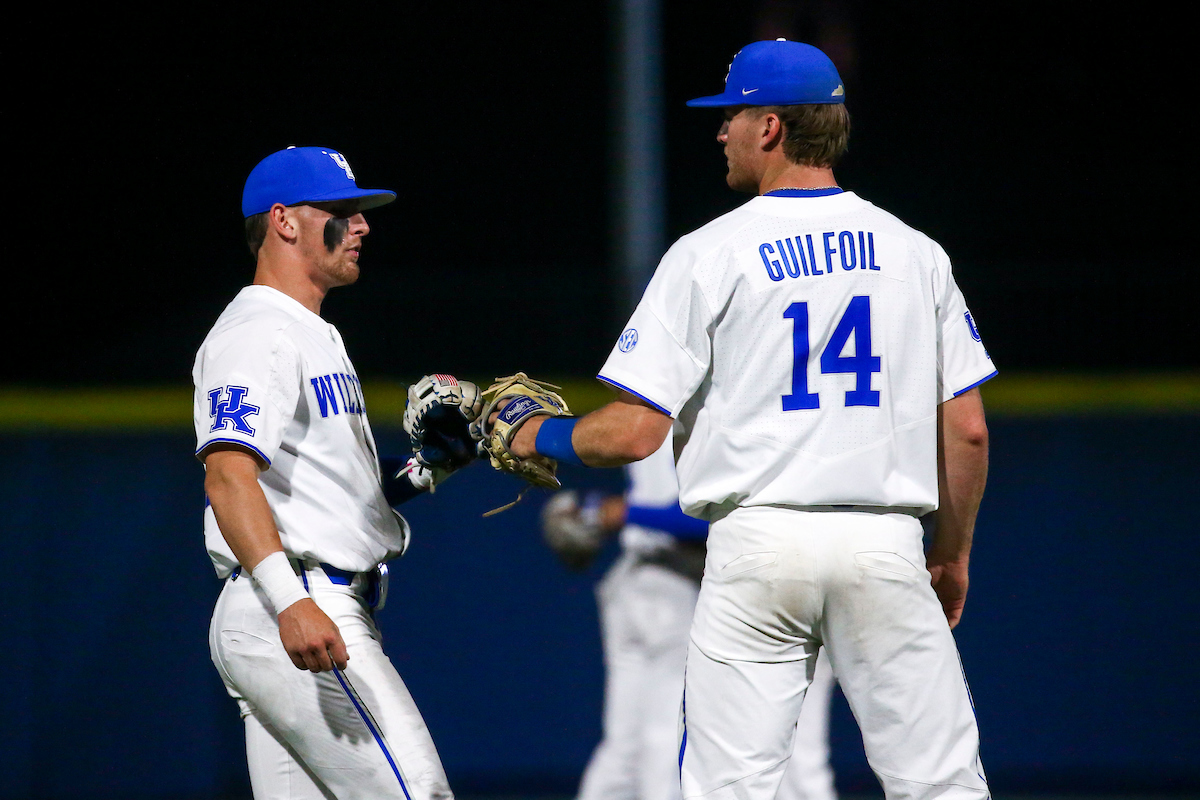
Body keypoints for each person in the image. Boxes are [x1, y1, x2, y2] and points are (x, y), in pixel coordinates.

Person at [507, 40, 995, 799]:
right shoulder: (916, 253)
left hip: (758, 542)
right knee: (940, 782)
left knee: (731, 787)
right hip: (883, 539)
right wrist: (952, 553)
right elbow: (968, 431)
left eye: (731, 115)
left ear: (770, 127)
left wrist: (537, 433)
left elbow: (636, 433)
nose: (720, 131)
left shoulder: (709, 253)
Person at [193, 146, 470, 800]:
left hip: (301, 601)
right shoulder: (256, 332)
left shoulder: (313, 331)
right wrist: (292, 603)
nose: (362, 226)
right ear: (284, 221)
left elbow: (334, 499)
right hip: (293, 601)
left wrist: (428, 469)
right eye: (343, 211)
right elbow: (228, 476)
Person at [541, 434, 839, 800]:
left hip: (663, 578)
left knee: (632, 742)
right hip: (683, 582)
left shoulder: (664, 411)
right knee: (666, 733)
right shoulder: (715, 414)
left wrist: (610, 509)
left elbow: (697, 519)